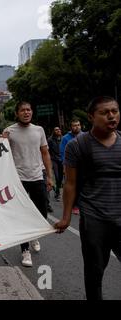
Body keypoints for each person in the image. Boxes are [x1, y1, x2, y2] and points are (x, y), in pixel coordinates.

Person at [55, 96, 121, 300]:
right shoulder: (76, 146)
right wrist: (66, 218)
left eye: (115, 111)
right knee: (94, 274)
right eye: (104, 112)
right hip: (94, 220)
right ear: (91, 117)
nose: (111, 116)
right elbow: (70, 184)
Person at [3, 101, 53, 267]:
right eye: (23, 110)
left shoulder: (39, 130)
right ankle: (25, 250)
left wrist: (50, 176)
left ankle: (33, 235)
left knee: (42, 213)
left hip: (38, 177)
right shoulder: (9, 131)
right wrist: (2, 141)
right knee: (22, 215)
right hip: (18, 179)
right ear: (17, 113)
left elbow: (45, 153)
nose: (26, 112)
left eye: (29, 110)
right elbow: (1, 154)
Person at [48, 127, 64, 201]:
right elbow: (48, 151)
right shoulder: (50, 140)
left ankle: (57, 191)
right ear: (53, 131)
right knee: (57, 177)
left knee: (60, 178)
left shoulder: (63, 139)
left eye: (59, 130)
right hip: (54, 160)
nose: (58, 131)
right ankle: (58, 194)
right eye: (56, 130)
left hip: (62, 160)